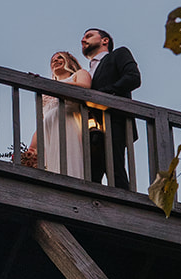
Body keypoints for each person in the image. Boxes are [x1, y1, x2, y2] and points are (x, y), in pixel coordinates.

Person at [80, 27, 141, 189]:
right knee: (90, 175)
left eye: (89, 36)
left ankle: (125, 202)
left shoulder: (118, 54)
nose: (83, 40)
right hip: (89, 127)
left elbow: (133, 78)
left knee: (115, 169)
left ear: (104, 40)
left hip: (114, 120)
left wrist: (104, 94)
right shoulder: (85, 73)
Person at [26, 50, 91, 177]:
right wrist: (31, 149)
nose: (55, 60)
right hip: (48, 130)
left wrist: (50, 85)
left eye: (60, 57)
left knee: (68, 162)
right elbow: (43, 120)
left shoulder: (80, 74)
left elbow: (84, 87)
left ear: (70, 62)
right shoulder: (45, 91)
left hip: (68, 125)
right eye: (52, 60)